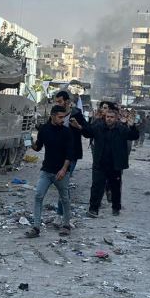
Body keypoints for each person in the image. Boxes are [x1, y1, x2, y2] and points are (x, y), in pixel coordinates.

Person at [26, 105, 76, 237]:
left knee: (65, 198)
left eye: (64, 117)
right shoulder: (44, 129)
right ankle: (36, 227)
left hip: (62, 172)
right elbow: (37, 147)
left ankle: (66, 225)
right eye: (60, 117)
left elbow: (70, 154)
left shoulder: (67, 132)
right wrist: (29, 142)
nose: (62, 120)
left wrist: (64, 170)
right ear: (52, 116)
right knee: (38, 196)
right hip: (47, 171)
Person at [81, 107, 139, 217]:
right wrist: (88, 120)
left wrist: (132, 126)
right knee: (96, 187)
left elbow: (134, 136)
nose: (109, 119)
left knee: (115, 187)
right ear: (105, 117)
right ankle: (93, 209)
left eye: (112, 117)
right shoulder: (98, 127)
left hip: (115, 164)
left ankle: (116, 208)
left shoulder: (121, 129)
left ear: (116, 118)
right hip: (100, 163)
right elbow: (87, 133)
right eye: (107, 117)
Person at [53, 90, 88, 222]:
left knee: (64, 183)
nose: (57, 104)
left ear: (67, 101)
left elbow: (87, 131)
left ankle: (61, 214)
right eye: (56, 102)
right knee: (61, 184)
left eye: (60, 101)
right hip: (58, 154)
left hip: (72, 154)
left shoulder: (76, 114)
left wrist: (78, 126)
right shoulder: (55, 115)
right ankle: (63, 213)